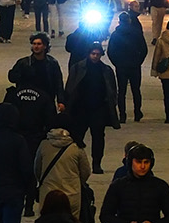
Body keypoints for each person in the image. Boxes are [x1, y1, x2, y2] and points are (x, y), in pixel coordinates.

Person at [64, 44, 122, 173]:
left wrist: (111, 104)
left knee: (98, 137)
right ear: (88, 54)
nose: (95, 56)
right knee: (76, 137)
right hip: (81, 108)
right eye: (93, 53)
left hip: (98, 109)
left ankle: (97, 163)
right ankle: (74, 162)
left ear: (101, 55)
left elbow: (112, 90)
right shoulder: (78, 68)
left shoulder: (106, 70)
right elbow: (70, 87)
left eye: (97, 54)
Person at [34, 121, 94, 223]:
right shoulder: (76, 147)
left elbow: (37, 169)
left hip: (48, 193)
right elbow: (85, 171)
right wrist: (77, 182)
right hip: (71, 193)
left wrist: (42, 181)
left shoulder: (44, 145)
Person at [108, 10, 148, 122]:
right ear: (129, 21)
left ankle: (122, 115)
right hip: (134, 66)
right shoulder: (137, 33)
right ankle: (137, 113)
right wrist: (138, 61)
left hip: (121, 66)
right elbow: (144, 49)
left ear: (119, 22)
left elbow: (110, 51)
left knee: (121, 91)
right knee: (136, 90)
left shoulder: (115, 35)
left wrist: (117, 63)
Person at [8, 33, 67, 109]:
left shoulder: (52, 63)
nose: (36, 46)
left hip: (47, 101)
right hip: (28, 101)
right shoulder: (23, 63)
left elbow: (58, 83)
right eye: (34, 44)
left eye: (39, 44)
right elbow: (12, 78)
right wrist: (22, 74)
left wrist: (61, 101)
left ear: (45, 46)